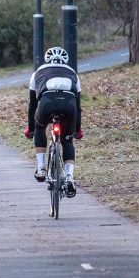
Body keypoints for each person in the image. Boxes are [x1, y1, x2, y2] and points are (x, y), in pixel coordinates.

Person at [24, 46, 83, 197]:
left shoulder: (37, 73)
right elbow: (78, 105)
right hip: (69, 106)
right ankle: (69, 176)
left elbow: (32, 105)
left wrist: (31, 128)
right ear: (65, 60)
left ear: (46, 59)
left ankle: (42, 167)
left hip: (47, 104)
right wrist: (77, 130)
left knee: (40, 127)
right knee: (67, 141)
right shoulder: (73, 74)